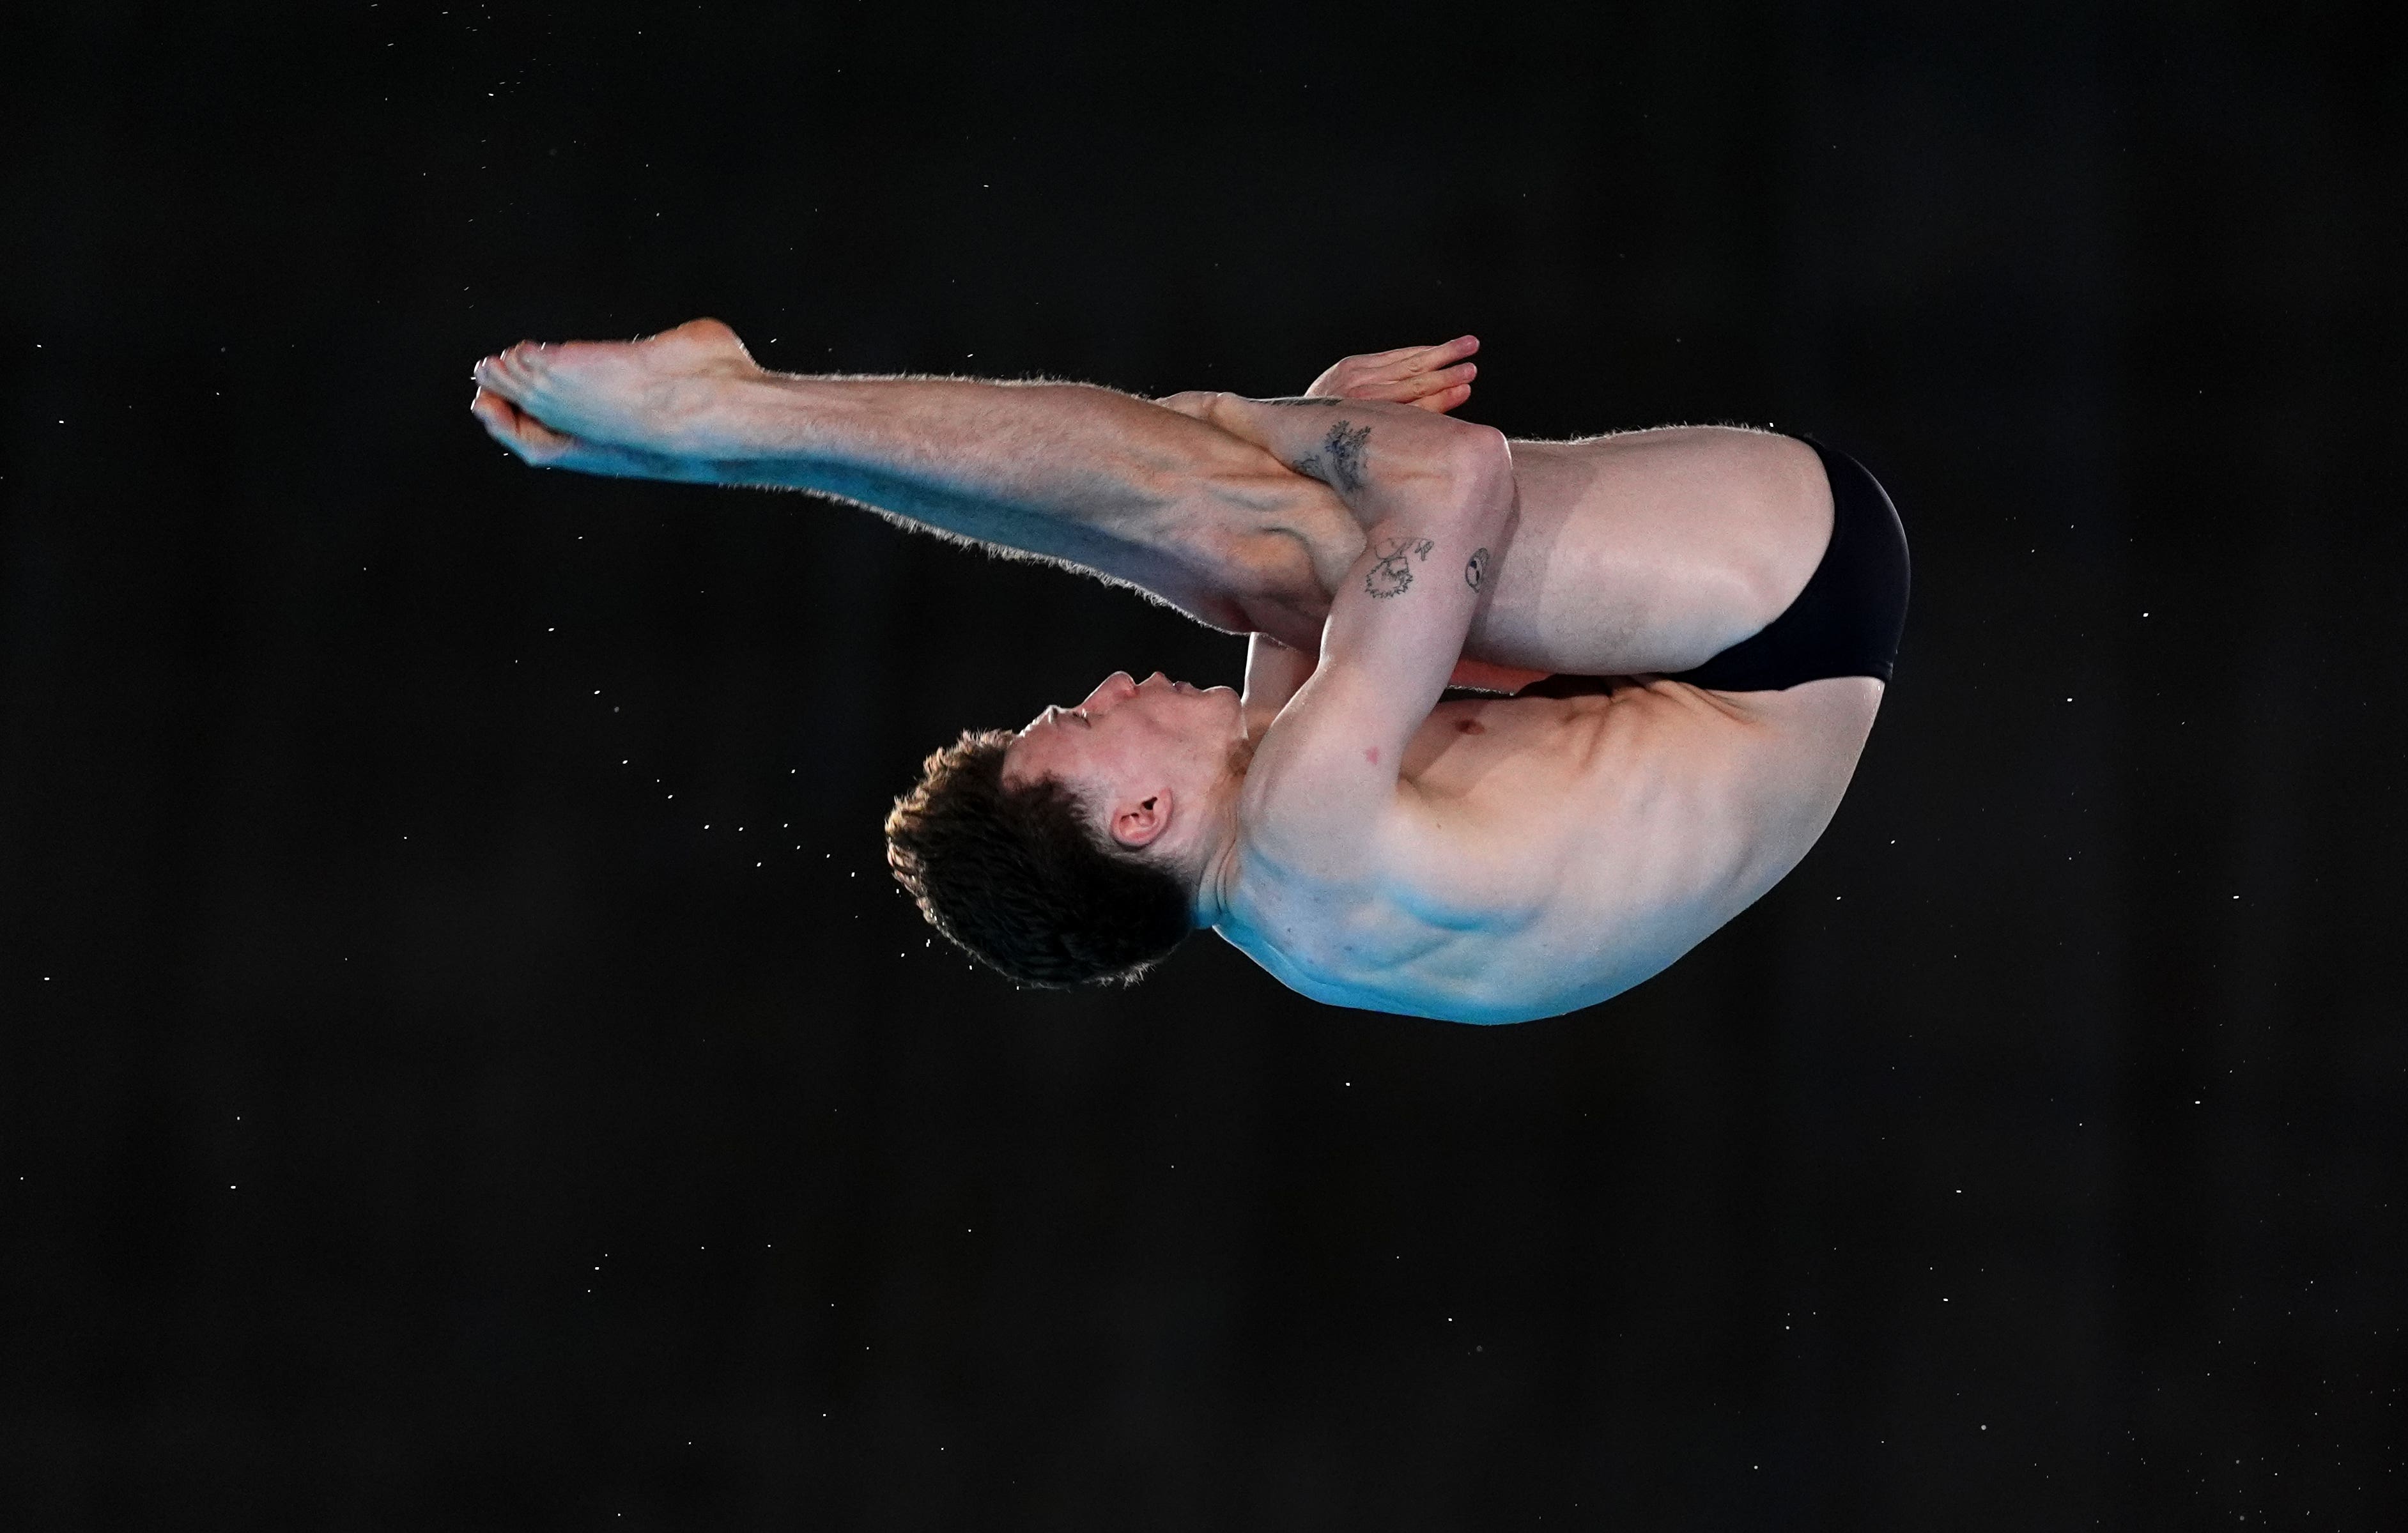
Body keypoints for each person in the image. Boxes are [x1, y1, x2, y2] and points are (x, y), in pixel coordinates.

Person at [470, 321, 1906, 1023]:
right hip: (1781, 597)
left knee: (1252, 548)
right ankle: (742, 417)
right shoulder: (1302, 831)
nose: (1107, 686)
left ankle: (746, 436)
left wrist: (1326, 426)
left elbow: (1324, 625)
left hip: (1751, 678)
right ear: (1140, 823)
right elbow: (1456, 483)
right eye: (1082, 724)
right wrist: (1257, 416)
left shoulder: (1281, 890)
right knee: (1254, 527)